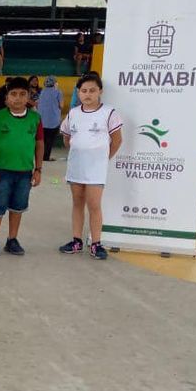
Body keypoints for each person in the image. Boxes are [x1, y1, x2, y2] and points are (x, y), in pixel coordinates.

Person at [58, 73, 123, 261]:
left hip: (96, 169)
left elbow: (117, 140)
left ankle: (96, 243)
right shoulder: (73, 113)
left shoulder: (109, 113)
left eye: (92, 90)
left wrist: (102, 158)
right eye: (84, 91)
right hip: (76, 166)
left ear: (100, 91)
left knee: (94, 205)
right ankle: (76, 241)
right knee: (77, 203)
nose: (88, 94)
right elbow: (67, 137)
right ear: (78, 93)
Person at [0, 76, 44, 256]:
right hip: (1, 172)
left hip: (24, 172)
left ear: (29, 97)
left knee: (18, 207)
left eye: (22, 94)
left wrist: (38, 169)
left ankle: (12, 239)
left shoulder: (35, 118)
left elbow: (39, 143)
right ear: (6, 98)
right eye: (14, 94)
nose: (18, 98)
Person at [38, 75, 63, 161]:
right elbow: (61, 105)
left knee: (43, 139)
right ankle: (46, 157)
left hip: (42, 119)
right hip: (53, 120)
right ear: (54, 83)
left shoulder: (42, 91)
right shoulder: (58, 92)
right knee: (50, 140)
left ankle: (41, 156)